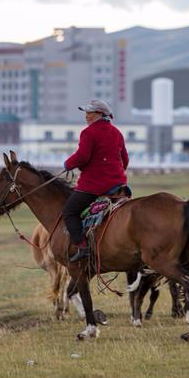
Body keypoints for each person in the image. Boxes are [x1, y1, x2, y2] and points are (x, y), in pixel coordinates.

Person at [62, 99, 129, 263]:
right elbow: (125, 160)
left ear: (100, 114)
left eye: (89, 113)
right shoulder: (117, 132)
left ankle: (82, 246)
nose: (86, 116)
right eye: (86, 113)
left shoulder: (88, 133)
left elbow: (83, 156)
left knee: (69, 212)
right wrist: (115, 174)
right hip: (118, 185)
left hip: (93, 186)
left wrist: (67, 164)